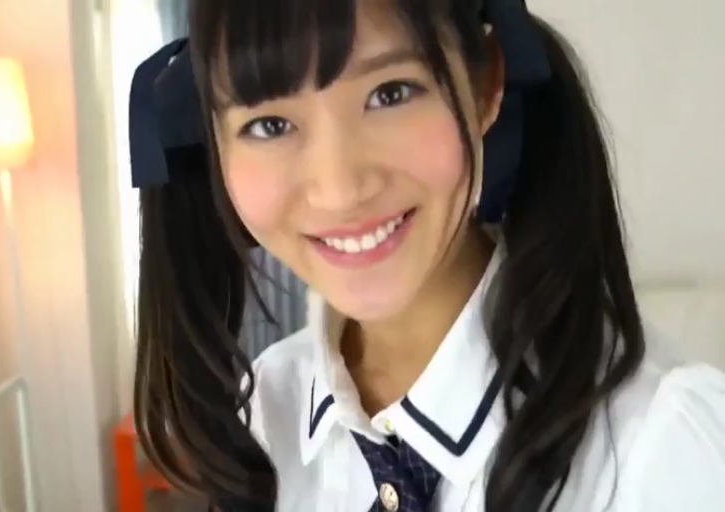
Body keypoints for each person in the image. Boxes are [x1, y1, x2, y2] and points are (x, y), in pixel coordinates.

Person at [127, 0, 725, 510]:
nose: (340, 189)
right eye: (269, 125)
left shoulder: (665, 444)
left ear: (486, 83)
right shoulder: (265, 414)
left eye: (390, 93)